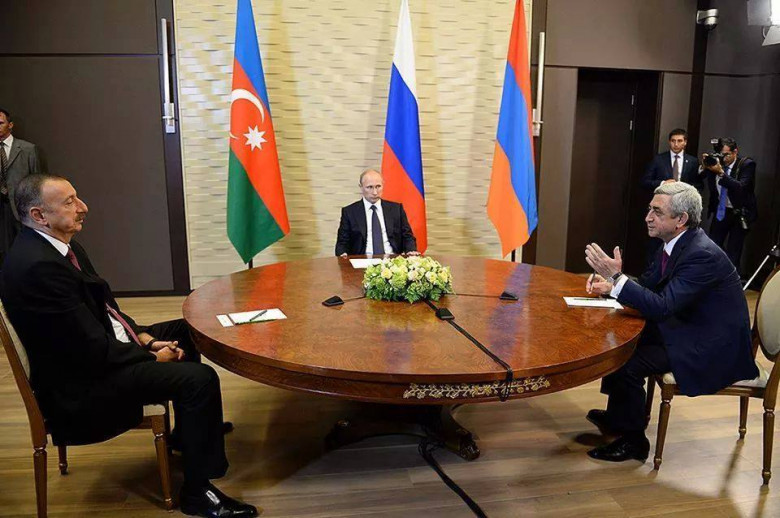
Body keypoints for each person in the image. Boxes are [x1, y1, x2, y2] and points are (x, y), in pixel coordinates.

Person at [0, 174, 257, 518]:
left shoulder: (61, 246)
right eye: (69, 202)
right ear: (39, 215)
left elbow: (108, 309)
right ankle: (198, 493)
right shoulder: (37, 268)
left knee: (186, 330)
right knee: (199, 379)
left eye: (77, 197)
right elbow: (86, 349)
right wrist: (150, 356)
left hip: (97, 350)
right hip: (82, 385)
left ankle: (188, 435)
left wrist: (146, 338)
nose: (83, 207)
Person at [582, 181, 757, 462]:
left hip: (709, 345)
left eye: (657, 212)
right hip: (687, 325)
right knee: (618, 340)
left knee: (628, 360)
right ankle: (619, 417)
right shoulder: (674, 243)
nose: (648, 217)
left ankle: (634, 442)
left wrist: (618, 279)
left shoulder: (701, 254)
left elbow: (663, 307)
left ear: (681, 219)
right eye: (649, 209)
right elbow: (649, 287)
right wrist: (612, 286)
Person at [700, 137, 757, 274]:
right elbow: (700, 177)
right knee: (713, 247)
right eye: (721, 155)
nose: (723, 158)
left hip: (739, 213)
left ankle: (732, 281)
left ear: (735, 152)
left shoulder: (746, 165)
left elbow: (741, 187)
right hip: (721, 211)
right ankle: (713, 278)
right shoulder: (716, 162)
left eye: (727, 155)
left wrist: (721, 173)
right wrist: (704, 165)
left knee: (734, 252)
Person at [335, 168, 418, 257]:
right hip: (362, 260)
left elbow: (407, 236)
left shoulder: (396, 209)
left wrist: (411, 250)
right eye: (369, 187)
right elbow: (342, 242)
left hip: (392, 260)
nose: (375, 192)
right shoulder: (350, 212)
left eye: (378, 186)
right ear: (361, 187)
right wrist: (342, 254)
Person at [0, 108, 41, 263]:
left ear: (10, 125)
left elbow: (36, 180)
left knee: (24, 245)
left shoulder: (28, 149)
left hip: (19, 206)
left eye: (0, 123)